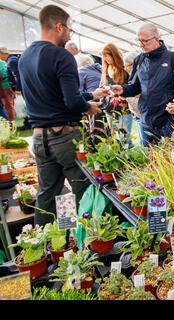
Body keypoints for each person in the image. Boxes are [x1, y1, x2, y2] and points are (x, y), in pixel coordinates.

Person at [18, 5, 106, 225]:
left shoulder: (25, 57)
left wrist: (89, 94)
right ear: (59, 26)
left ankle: (44, 244)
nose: (70, 35)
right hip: (65, 138)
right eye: (69, 30)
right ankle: (86, 244)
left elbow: (50, 93)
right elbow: (72, 101)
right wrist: (90, 106)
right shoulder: (62, 56)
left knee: (46, 195)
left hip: (39, 138)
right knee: (83, 191)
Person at [110, 23, 174, 146]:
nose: (141, 44)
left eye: (145, 41)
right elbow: (134, 87)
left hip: (168, 121)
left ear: (156, 39)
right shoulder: (139, 60)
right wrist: (122, 89)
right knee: (149, 160)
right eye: (139, 40)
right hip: (146, 120)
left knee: (168, 161)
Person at [101, 43, 133, 147]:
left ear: (113, 54)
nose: (105, 59)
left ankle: (129, 157)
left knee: (125, 137)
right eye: (104, 57)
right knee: (115, 137)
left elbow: (131, 87)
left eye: (107, 56)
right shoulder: (105, 69)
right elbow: (102, 85)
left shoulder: (124, 68)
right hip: (110, 108)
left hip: (124, 108)